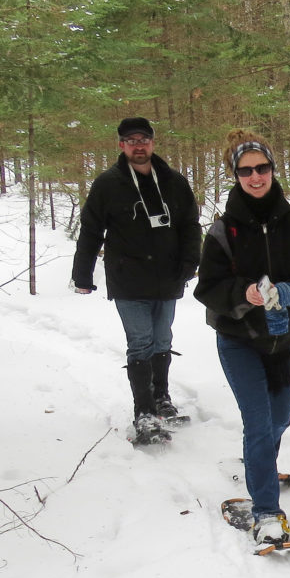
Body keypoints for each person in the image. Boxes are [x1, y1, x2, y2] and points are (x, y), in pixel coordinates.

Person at [194, 130, 290, 545]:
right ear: (234, 175)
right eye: (246, 170)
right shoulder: (223, 231)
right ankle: (266, 513)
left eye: (263, 168)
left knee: (281, 418)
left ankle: (260, 468)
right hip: (239, 340)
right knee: (258, 424)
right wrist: (245, 294)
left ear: (273, 169)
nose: (256, 177)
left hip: (283, 340)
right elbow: (207, 288)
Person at [72, 117, 201, 446]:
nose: (138, 145)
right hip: (128, 279)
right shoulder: (108, 184)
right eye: (131, 140)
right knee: (141, 342)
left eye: (144, 139)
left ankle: (162, 399)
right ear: (121, 146)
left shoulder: (174, 181)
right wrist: (82, 274)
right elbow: (90, 229)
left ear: (153, 143)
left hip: (168, 277)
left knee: (162, 339)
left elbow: (189, 224)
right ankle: (143, 411)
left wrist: (190, 263)